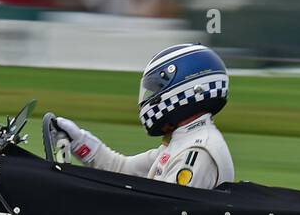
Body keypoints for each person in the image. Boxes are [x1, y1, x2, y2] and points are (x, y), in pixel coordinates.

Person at [55, 43, 235, 188]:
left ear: (187, 88)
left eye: (156, 89)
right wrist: (79, 142)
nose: (149, 99)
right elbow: (121, 169)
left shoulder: (197, 151)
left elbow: (169, 212)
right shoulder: (183, 142)